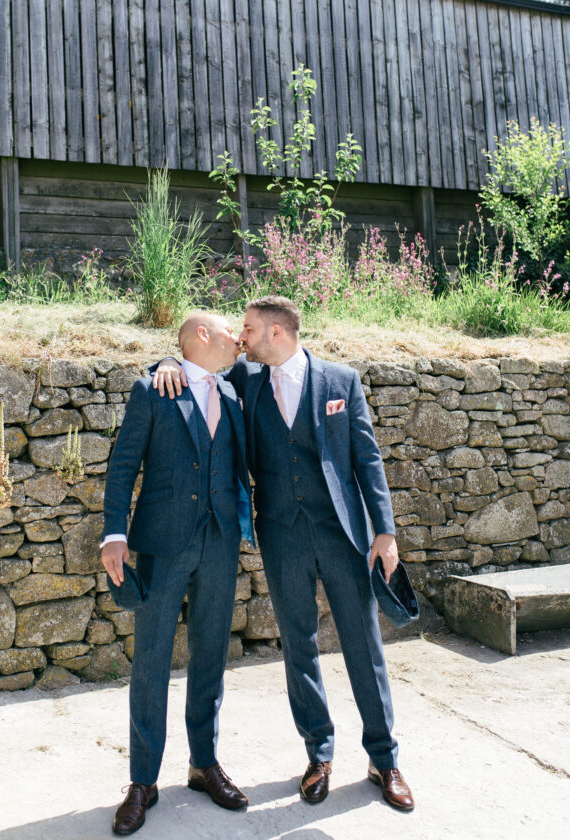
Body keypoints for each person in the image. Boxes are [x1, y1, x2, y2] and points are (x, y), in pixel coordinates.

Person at [153, 296, 414, 812]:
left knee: (364, 644)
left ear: (277, 332)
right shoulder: (245, 381)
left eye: (247, 329)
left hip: (343, 534)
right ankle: (319, 754)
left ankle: (383, 759)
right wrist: (163, 361)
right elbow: (192, 367)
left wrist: (384, 531)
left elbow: (367, 456)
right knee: (299, 645)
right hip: (281, 535)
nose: (241, 338)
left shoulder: (342, 381)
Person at [101, 312, 254, 836]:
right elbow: (123, 466)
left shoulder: (235, 389)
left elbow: (275, 363)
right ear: (202, 337)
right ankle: (143, 780)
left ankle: (203, 763)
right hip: (162, 545)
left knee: (211, 653)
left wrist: (171, 356)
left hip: (220, 544)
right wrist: (113, 534)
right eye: (230, 331)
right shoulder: (153, 389)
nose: (239, 337)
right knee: (151, 660)